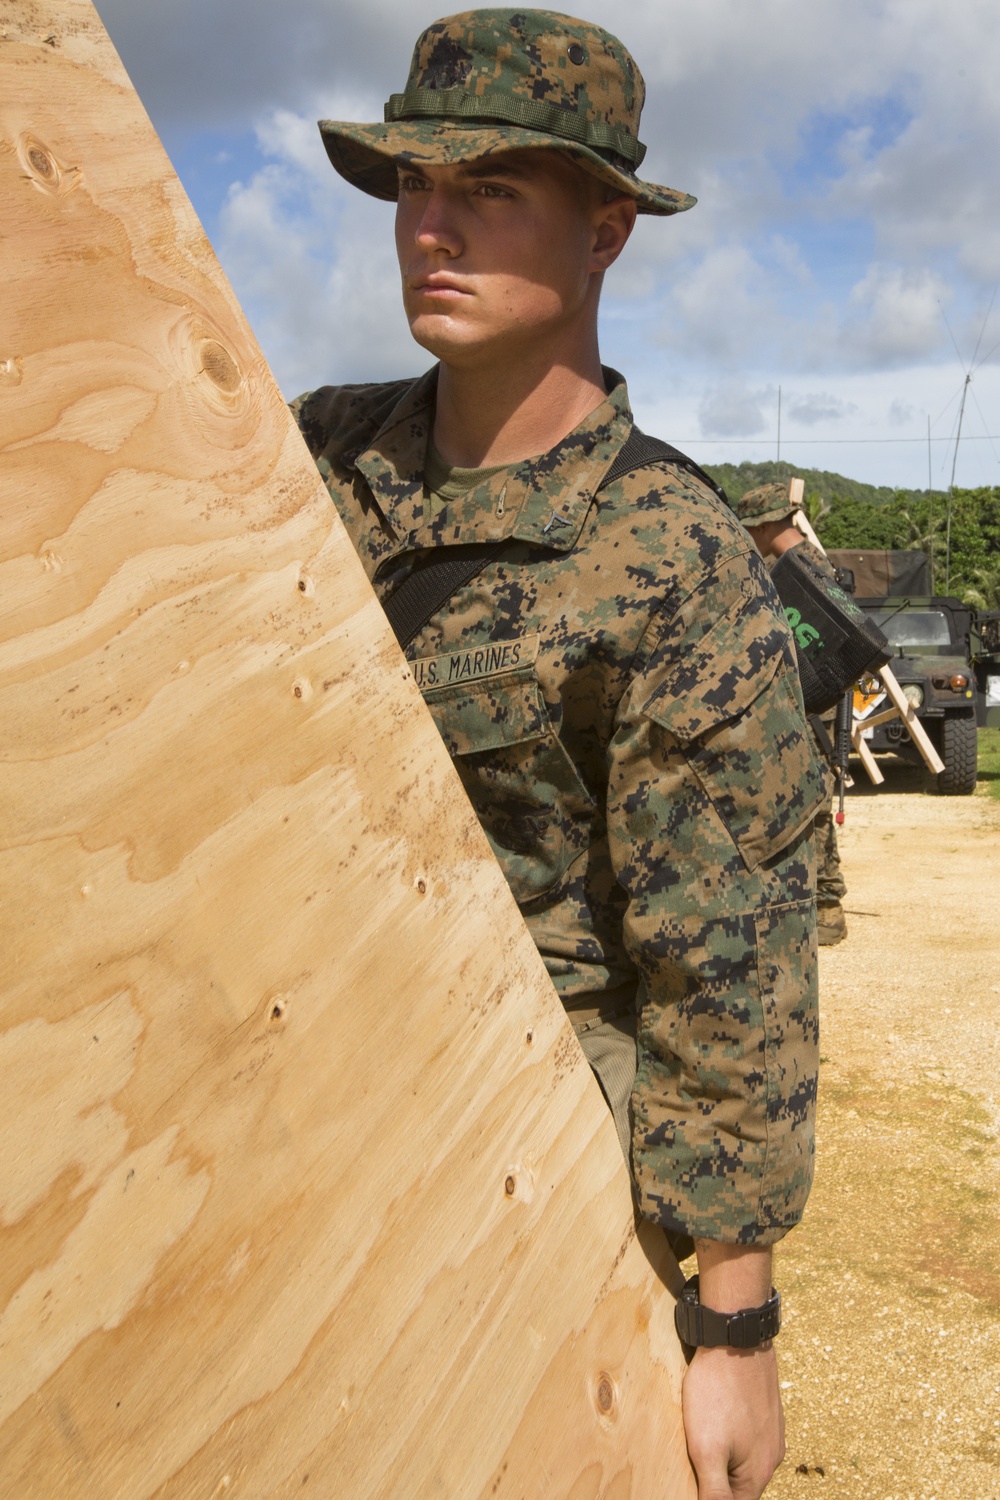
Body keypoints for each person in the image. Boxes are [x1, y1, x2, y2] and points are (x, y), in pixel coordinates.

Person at [292, 12, 827, 1496]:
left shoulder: (668, 555)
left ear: (606, 233)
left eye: (492, 192)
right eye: (412, 186)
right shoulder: (314, 461)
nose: (432, 228)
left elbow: (726, 961)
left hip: (530, 1155)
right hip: (288, 1105)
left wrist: (735, 1328)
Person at [737, 482, 848, 946]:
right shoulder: (816, 566)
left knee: (812, 803)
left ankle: (825, 906)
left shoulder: (792, 570)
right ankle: (814, 902)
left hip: (796, 705)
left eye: (751, 529)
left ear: (764, 525)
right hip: (805, 704)